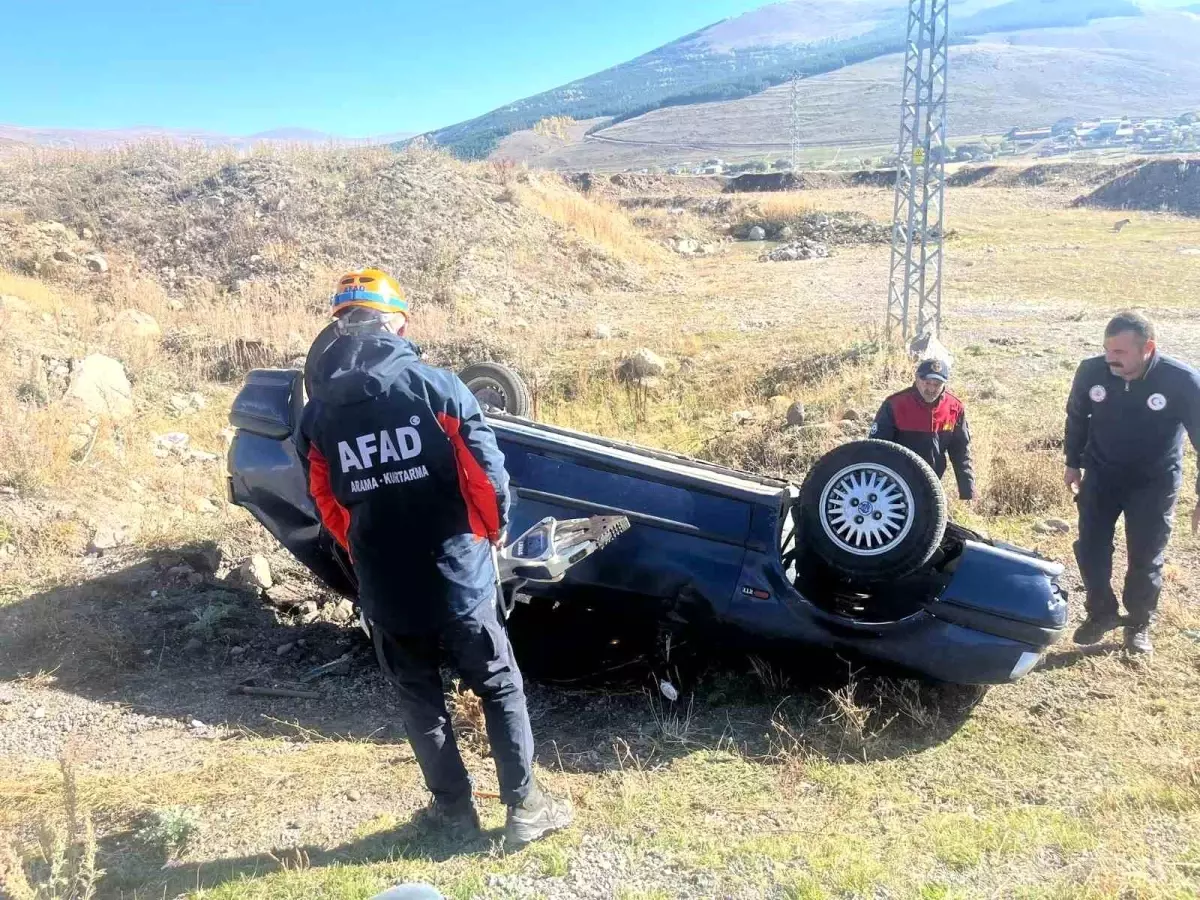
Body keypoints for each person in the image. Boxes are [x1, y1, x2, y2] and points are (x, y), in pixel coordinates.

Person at [297, 268, 572, 846]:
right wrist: (489, 535)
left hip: (384, 582)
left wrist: (364, 547)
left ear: (341, 326)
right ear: (395, 320)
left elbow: (326, 500)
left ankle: (452, 813)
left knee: (418, 695)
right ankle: (524, 809)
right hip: (457, 576)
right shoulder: (437, 386)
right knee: (498, 685)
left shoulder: (317, 415)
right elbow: (486, 480)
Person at [1065, 311, 1200, 654]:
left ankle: (1138, 623)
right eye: (1108, 350)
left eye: (1121, 352)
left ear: (1148, 348)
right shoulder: (1091, 372)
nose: (1111, 359)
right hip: (1102, 473)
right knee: (1091, 547)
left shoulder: (1181, 381)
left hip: (1153, 481)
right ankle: (1101, 613)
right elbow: (1077, 417)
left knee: (1146, 554)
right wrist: (1072, 463)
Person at [870, 357, 976, 501]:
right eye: (927, 383)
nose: (931, 389)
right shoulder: (895, 404)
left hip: (933, 483)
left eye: (937, 384)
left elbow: (961, 451)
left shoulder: (954, 408)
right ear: (917, 379)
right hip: (895, 485)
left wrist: (967, 490)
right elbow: (875, 449)